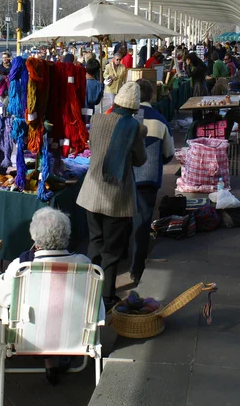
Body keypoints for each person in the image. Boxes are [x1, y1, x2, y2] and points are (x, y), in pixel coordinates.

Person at [0, 207, 91, 385]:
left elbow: (3, 295)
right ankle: (56, 358)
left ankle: (48, 360)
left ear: (35, 238)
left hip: (32, 335)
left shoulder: (21, 267)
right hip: (74, 335)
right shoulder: (83, 265)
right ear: (67, 235)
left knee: (8, 298)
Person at [77, 82, 147, 311]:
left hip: (91, 192)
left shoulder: (97, 120)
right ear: (134, 108)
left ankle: (89, 291)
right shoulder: (134, 128)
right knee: (112, 250)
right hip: (115, 197)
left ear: (116, 102)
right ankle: (106, 298)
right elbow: (140, 160)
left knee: (95, 243)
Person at [130, 79, 174, 284]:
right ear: (151, 96)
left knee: (123, 221)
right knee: (143, 222)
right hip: (148, 179)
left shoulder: (125, 118)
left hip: (126, 179)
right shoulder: (160, 120)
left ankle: (120, 261)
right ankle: (136, 269)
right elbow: (169, 153)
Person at [84, 59, 104, 124]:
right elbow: (97, 102)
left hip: (77, 112)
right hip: (90, 112)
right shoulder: (99, 85)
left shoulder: (79, 81)